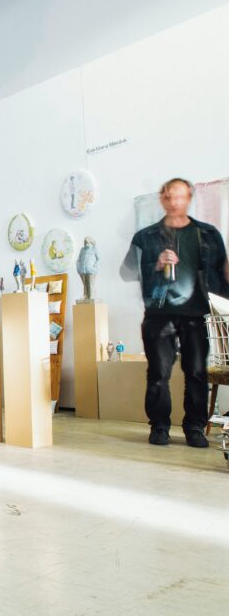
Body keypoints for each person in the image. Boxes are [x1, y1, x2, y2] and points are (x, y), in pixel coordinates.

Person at [122, 177, 229, 447]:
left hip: (195, 315)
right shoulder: (144, 236)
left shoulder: (208, 234)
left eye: (179, 196)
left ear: (189, 198)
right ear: (162, 198)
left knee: (196, 373)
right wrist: (155, 264)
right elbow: (126, 272)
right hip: (159, 315)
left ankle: (194, 427)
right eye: (168, 196)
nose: (173, 201)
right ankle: (159, 426)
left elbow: (222, 276)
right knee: (159, 373)